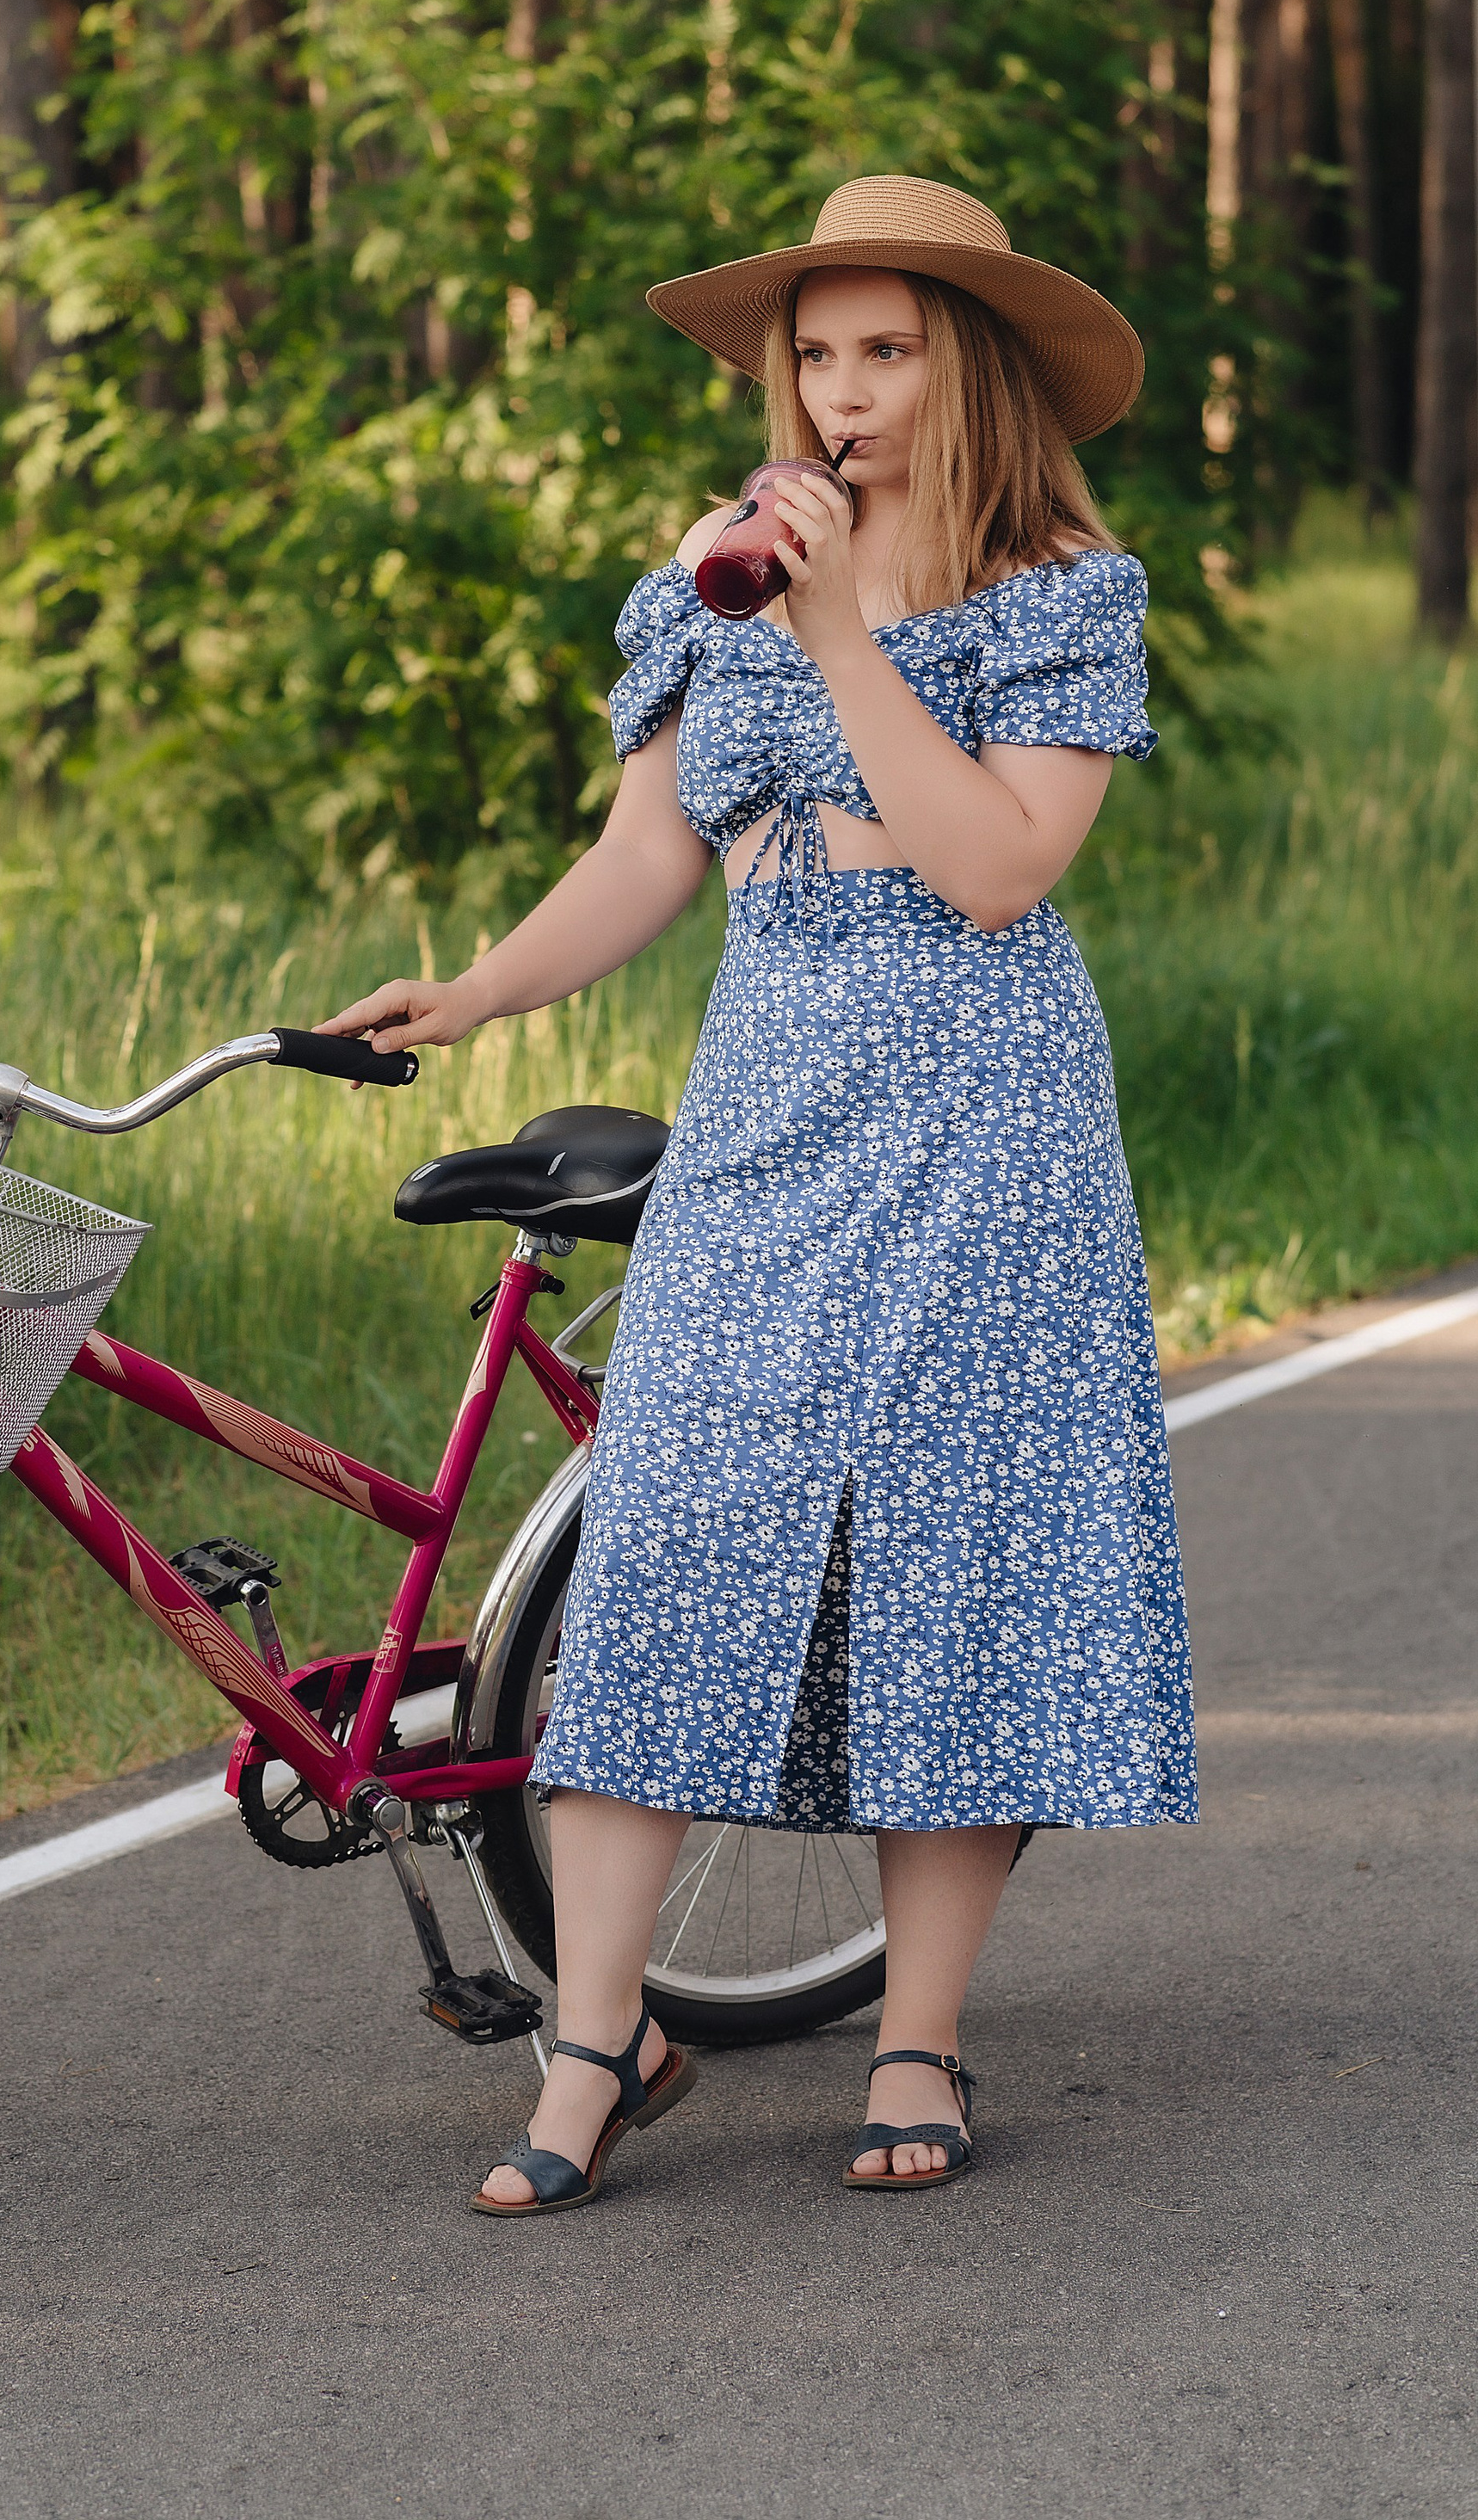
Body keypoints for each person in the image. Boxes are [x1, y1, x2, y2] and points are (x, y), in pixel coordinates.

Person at [319, 173, 1197, 2210]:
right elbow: (647, 861)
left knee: (945, 1564)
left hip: (986, 1122)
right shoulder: (703, 578)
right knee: (664, 1551)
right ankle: (591, 2044)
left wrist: (837, 622)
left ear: (962, 361)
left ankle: (916, 2035)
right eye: (815, 350)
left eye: (885, 347)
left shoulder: (1058, 582)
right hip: (771, 1104)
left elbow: (990, 867)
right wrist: (466, 993)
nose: (842, 389)